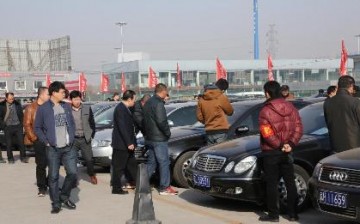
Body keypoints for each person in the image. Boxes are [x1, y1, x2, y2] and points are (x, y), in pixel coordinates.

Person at [258, 81, 303, 222]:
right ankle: (293, 214)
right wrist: (290, 144)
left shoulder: (265, 110)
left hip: (271, 151)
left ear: (267, 93)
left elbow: (267, 133)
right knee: (290, 182)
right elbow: (299, 128)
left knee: (272, 183)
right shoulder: (291, 107)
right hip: (287, 151)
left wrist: (279, 145)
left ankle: (274, 215)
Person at [34, 81, 77, 214]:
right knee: (53, 177)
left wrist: (72, 137)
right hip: (53, 148)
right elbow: (37, 127)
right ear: (54, 93)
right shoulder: (43, 108)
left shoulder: (67, 106)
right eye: (62, 92)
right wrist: (46, 141)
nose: (64, 94)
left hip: (68, 147)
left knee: (73, 173)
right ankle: (56, 203)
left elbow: (71, 124)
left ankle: (63, 197)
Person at [143, 83, 178, 195]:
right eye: (166, 92)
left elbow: (145, 121)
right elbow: (161, 121)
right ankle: (164, 187)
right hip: (158, 138)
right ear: (163, 91)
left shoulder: (148, 102)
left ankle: (142, 184)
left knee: (151, 163)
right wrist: (167, 133)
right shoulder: (158, 104)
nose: (166, 94)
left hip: (150, 137)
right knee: (164, 162)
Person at [23, 87, 50, 196]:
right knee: (41, 164)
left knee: (54, 164)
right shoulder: (31, 108)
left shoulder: (50, 107)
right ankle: (42, 187)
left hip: (50, 139)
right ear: (41, 95)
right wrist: (34, 138)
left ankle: (48, 182)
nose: (49, 96)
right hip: (38, 140)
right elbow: (27, 124)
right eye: (48, 94)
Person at [324, 75, 360, 153]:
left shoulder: (328, 102)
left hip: (335, 146)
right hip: (355, 147)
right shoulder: (356, 102)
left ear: (338, 86)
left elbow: (328, 123)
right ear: (351, 86)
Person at [111, 90, 138, 194]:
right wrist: (129, 143)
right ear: (129, 99)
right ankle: (116, 188)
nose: (134, 102)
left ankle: (140, 185)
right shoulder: (120, 109)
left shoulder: (126, 109)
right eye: (134, 99)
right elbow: (122, 127)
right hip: (122, 144)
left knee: (132, 165)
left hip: (127, 143)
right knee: (119, 167)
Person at [69, 90, 97, 185]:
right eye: (75, 99)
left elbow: (92, 123)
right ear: (71, 100)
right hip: (73, 139)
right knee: (72, 159)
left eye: (78, 99)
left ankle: (92, 175)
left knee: (89, 159)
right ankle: (73, 178)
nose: (77, 101)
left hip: (85, 138)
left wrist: (91, 135)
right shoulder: (67, 110)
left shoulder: (86, 108)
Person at [196, 78, 234, 145]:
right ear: (223, 90)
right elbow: (230, 111)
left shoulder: (201, 99)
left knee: (211, 153)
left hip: (209, 131)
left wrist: (208, 120)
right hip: (221, 130)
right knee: (220, 153)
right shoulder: (221, 97)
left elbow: (199, 117)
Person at [0, 92, 29, 163]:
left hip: (18, 126)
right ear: (6, 98)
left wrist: (21, 125)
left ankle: (23, 157)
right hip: (8, 127)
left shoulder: (17, 104)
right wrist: (3, 125)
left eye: (13, 98)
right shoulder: (1, 105)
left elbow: (21, 115)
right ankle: (10, 159)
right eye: (10, 99)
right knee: (9, 144)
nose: (12, 100)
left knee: (21, 143)